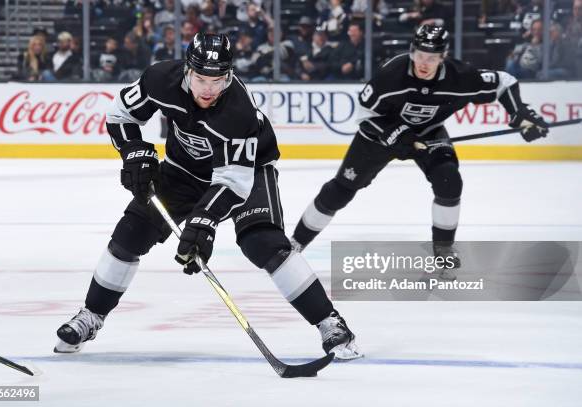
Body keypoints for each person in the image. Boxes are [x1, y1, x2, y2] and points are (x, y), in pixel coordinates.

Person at [54, 33, 361, 361]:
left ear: (229, 76)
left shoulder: (239, 112)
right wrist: (132, 151)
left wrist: (204, 222)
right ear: (187, 70)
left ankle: (330, 322)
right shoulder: (160, 79)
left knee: (263, 243)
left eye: (218, 80)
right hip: (181, 171)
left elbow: (233, 182)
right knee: (130, 234)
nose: (208, 89)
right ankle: (91, 315)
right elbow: (121, 115)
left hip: (249, 172)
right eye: (201, 78)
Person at [290, 25, 549, 280]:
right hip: (378, 137)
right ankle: (295, 245)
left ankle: (442, 257)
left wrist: (520, 115)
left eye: (432, 58)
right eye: (421, 56)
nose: (425, 63)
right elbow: (365, 116)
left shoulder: (460, 77)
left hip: (429, 134)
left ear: (443, 57)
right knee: (340, 190)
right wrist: (396, 134)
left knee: (449, 181)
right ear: (412, 52)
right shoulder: (391, 75)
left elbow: (504, 82)